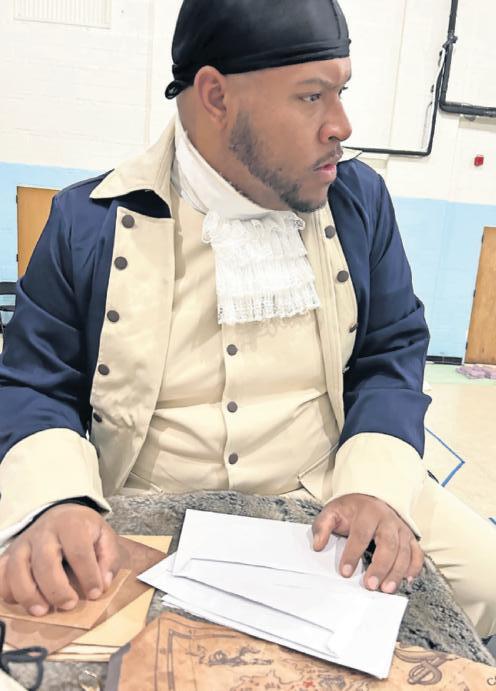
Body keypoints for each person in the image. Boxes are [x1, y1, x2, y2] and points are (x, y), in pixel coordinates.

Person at [0, 0, 495, 640]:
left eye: (341, 92)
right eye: (311, 96)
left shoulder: (359, 202)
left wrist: (373, 487)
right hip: (141, 500)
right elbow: (37, 384)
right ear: (216, 96)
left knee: (488, 578)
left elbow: (389, 352)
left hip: (333, 487)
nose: (341, 125)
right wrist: (58, 500)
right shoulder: (88, 222)